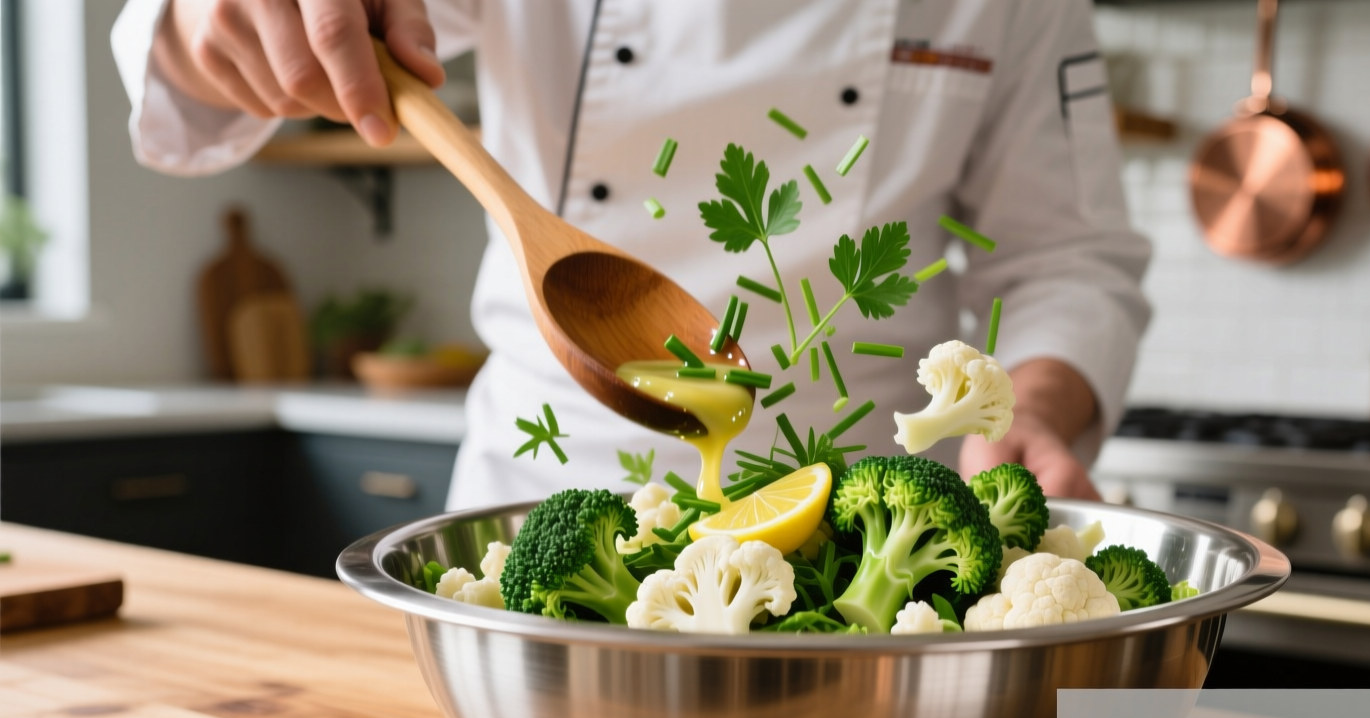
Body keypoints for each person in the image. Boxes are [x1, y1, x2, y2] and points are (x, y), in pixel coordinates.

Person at [113, 0, 1151, 508]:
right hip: (539, 499)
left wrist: (1034, 414)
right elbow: (188, 60)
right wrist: (196, 20)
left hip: (867, 545)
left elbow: (1065, 259)